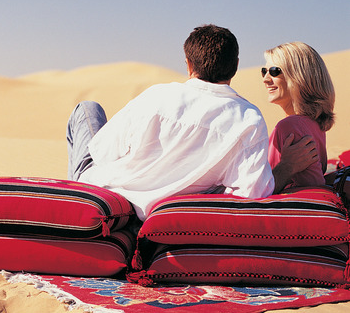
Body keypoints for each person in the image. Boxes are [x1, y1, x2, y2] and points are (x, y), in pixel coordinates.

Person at [67, 24, 316, 220]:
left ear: (188, 64)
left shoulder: (156, 95)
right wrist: (286, 168)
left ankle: (74, 201)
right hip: (159, 213)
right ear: (236, 66)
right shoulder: (248, 118)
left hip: (107, 196)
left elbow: (103, 153)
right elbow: (252, 193)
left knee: (87, 110)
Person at [263, 42, 335, 190]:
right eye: (264, 71)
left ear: (298, 76)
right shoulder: (311, 124)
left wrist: (285, 168)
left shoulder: (291, 126)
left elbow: (312, 190)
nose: (266, 79)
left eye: (275, 71)